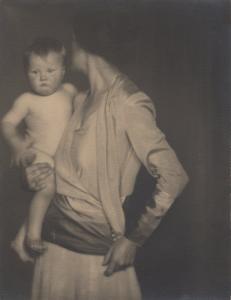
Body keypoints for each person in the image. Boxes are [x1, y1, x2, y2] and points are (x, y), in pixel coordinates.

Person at [12, 9, 189, 300]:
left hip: (96, 260)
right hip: (52, 252)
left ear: (78, 43)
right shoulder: (79, 98)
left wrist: (135, 239)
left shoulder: (128, 103)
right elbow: (61, 175)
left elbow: (174, 177)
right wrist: (32, 177)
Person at [1, 37, 76, 255]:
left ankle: (19, 238)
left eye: (50, 70)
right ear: (26, 74)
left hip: (63, 157)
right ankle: (33, 234)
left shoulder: (69, 91)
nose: (42, 77)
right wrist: (17, 145)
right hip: (39, 154)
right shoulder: (26, 100)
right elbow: (6, 123)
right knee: (48, 188)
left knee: (59, 195)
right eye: (35, 72)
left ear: (63, 71)